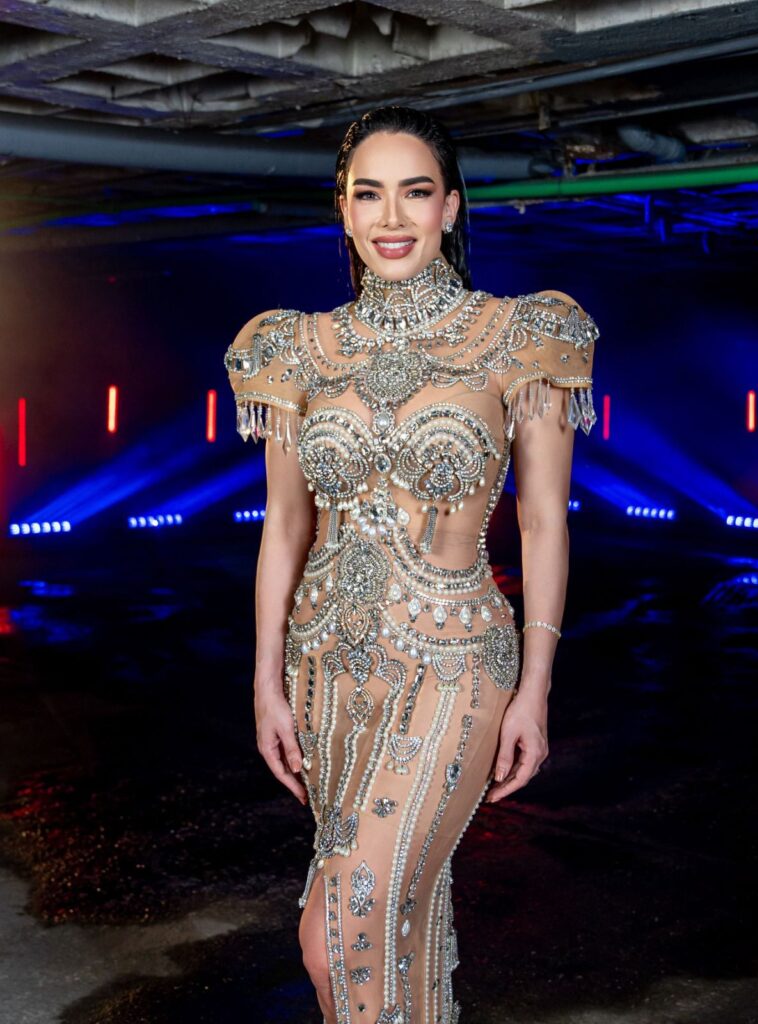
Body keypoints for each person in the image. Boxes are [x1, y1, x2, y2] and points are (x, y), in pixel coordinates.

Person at [224, 104, 598, 1024]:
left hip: (453, 665)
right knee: (394, 926)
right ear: (343, 210)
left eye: (415, 192)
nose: (391, 217)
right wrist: (265, 682)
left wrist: (537, 689)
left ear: (450, 207)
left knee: (337, 930)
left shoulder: (520, 336)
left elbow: (542, 523)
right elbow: (284, 526)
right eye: (369, 194)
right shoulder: (296, 348)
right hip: (326, 671)